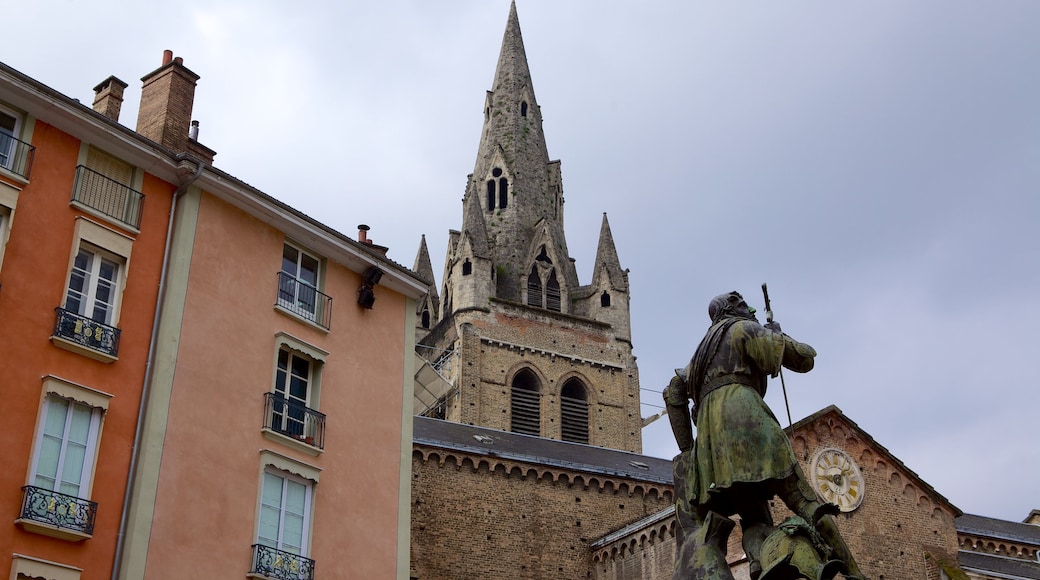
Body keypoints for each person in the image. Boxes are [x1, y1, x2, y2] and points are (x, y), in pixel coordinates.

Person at [664, 291, 865, 580]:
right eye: (747, 306)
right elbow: (804, 359)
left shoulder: (698, 357)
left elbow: (672, 394)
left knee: (755, 516)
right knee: (805, 501)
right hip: (749, 423)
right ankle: (855, 573)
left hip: (711, 454)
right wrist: (777, 334)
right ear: (735, 308)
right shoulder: (742, 328)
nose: (752, 311)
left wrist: (688, 451)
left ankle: (764, 562)